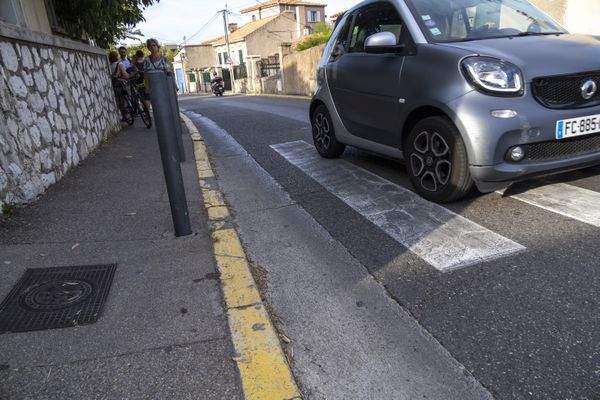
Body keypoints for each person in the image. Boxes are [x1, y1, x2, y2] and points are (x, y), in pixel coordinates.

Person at [109, 50, 133, 120]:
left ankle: (123, 116)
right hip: (121, 84)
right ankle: (128, 113)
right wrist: (130, 75)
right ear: (117, 56)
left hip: (114, 85)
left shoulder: (109, 66)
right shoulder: (119, 64)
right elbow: (125, 75)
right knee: (125, 98)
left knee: (119, 100)